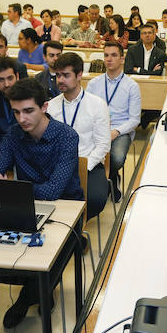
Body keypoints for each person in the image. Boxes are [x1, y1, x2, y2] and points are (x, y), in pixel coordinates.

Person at [0, 77, 82, 328]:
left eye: (28, 111)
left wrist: (11, 189)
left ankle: (25, 300)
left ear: (44, 107)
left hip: (68, 208)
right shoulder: (15, 134)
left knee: (54, 254)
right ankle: (40, 291)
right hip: (27, 205)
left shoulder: (67, 136)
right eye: (16, 112)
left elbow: (53, 191)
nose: (21, 118)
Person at [47, 52, 111, 218]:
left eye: (66, 75)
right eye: (58, 75)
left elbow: (103, 144)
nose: (60, 80)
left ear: (80, 75)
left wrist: (84, 165)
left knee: (95, 199)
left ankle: (76, 231)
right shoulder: (51, 107)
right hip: (56, 164)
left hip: (88, 161)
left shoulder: (97, 105)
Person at [86, 42, 140, 202]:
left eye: (114, 55)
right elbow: (87, 109)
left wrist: (115, 132)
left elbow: (135, 119)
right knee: (83, 155)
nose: (109, 59)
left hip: (120, 131)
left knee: (115, 158)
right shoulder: (93, 83)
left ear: (122, 59)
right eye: (106, 55)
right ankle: (103, 183)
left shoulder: (132, 86)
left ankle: (111, 177)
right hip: (97, 129)